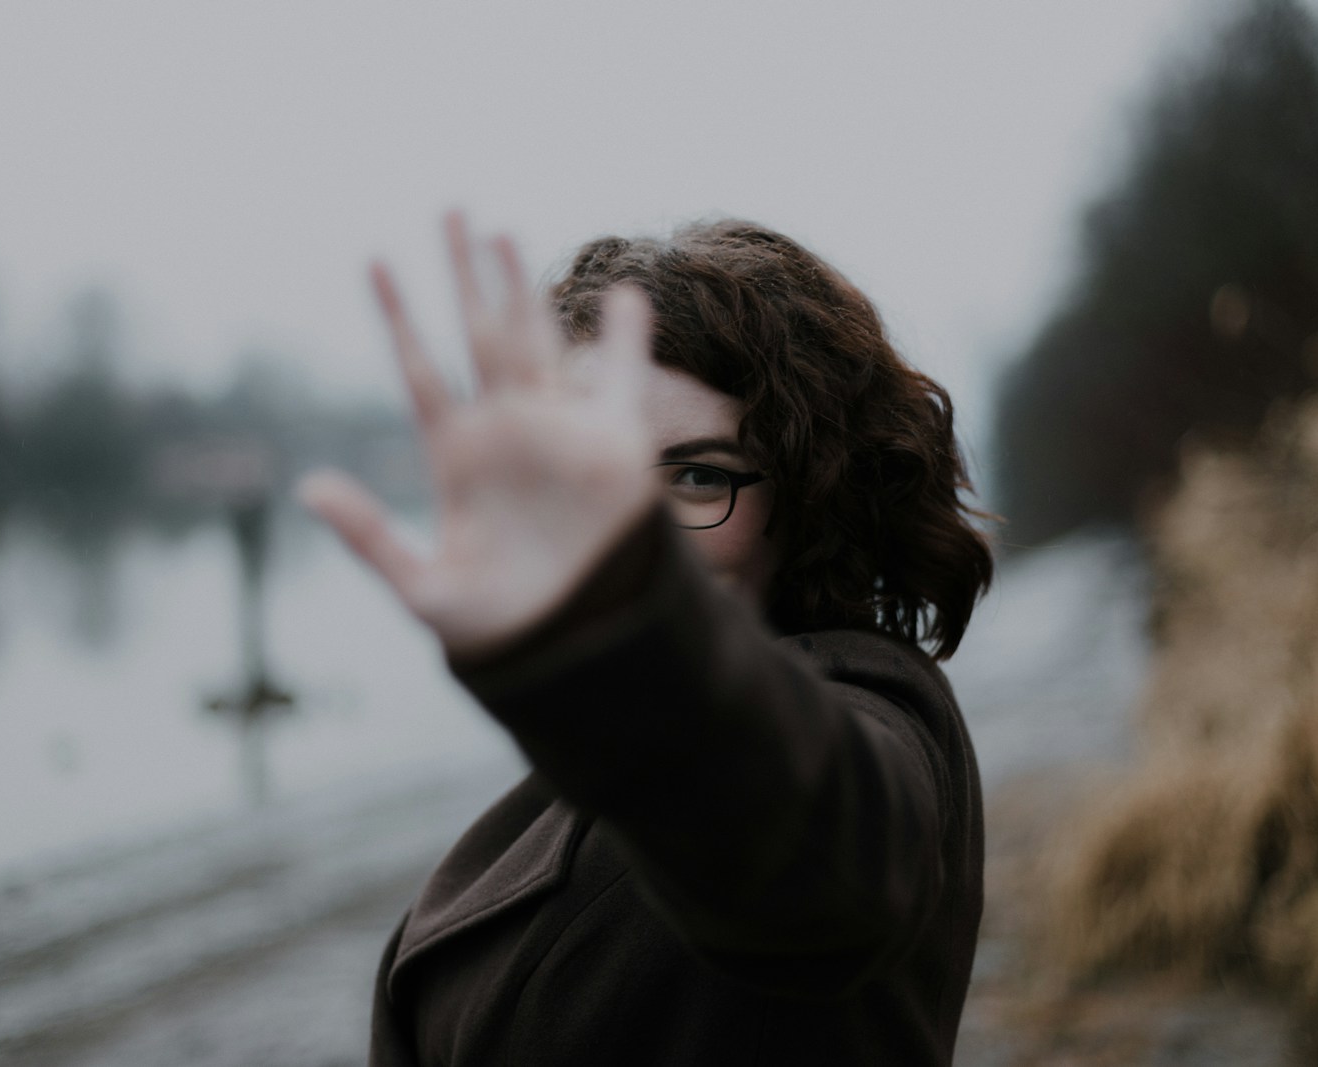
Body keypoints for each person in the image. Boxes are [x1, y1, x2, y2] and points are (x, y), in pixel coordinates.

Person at [300, 213, 995, 1066]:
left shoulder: (864, 710)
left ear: (816, 495)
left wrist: (629, 631)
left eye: (698, 475)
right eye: (591, 469)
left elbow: (829, 874)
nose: (623, 526)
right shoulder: (614, 742)